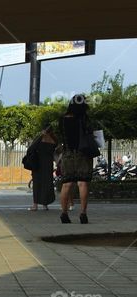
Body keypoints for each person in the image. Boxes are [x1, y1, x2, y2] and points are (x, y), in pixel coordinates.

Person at [58, 94, 97, 224]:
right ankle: (83, 214)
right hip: (83, 154)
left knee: (67, 184)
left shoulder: (62, 120)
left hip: (67, 154)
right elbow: (91, 133)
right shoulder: (84, 119)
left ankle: (64, 213)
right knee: (82, 183)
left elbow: (62, 136)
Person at [27, 126, 57, 211]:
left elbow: (31, 149)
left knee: (37, 184)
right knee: (47, 184)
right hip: (48, 165)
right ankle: (45, 205)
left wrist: (40, 136)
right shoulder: (54, 140)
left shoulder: (40, 138)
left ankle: (35, 205)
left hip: (38, 164)